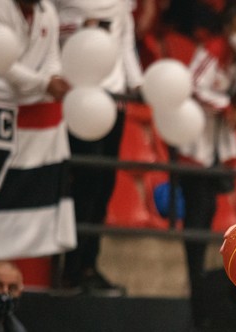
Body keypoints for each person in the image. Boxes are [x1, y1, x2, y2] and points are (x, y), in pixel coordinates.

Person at [176, 0, 236, 292]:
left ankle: (199, 276)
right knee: (197, 209)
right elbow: (192, 85)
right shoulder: (212, 50)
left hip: (218, 147)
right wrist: (228, 107)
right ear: (227, 29)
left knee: (208, 210)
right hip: (196, 142)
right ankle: (193, 275)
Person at [56, 0, 144, 295]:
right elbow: (50, 30)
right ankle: (69, 270)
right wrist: (82, 28)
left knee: (105, 184)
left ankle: (89, 265)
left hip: (115, 101)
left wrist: (138, 83)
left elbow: (125, 41)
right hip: (81, 98)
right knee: (84, 183)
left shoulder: (120, 5)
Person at [0, 0, 75, 262]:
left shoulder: (47, 11)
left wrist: (55, 77)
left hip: (24, 102)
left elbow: (51, 59)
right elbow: (1, 63)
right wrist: (44, 85)